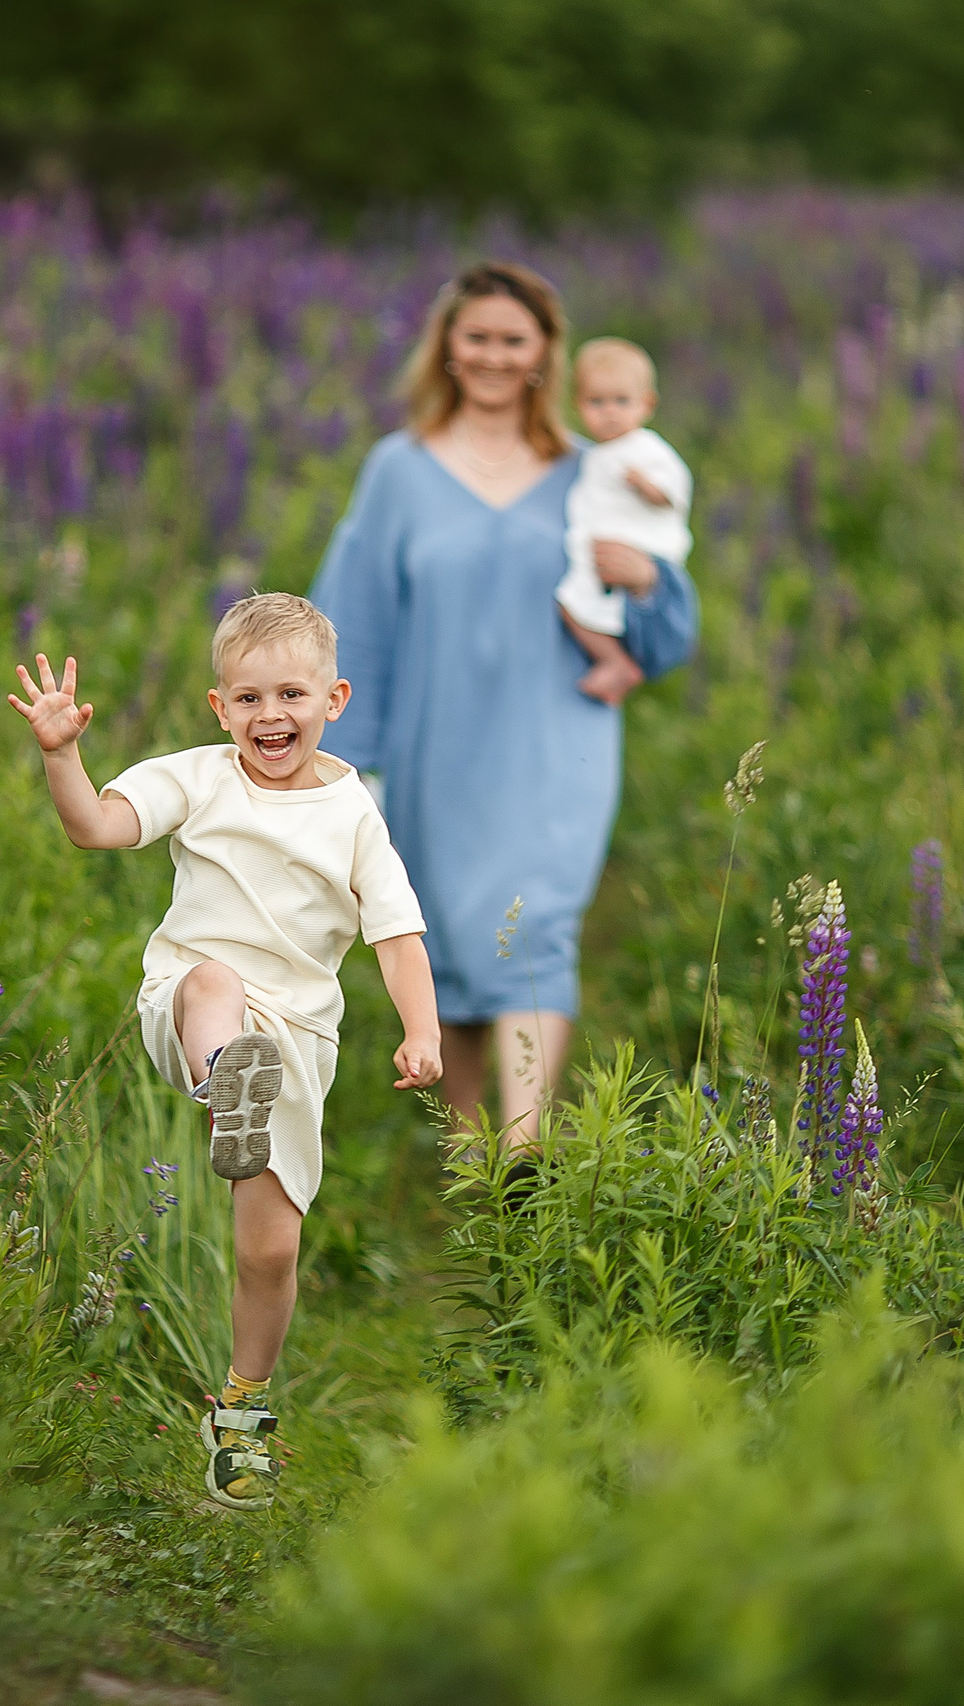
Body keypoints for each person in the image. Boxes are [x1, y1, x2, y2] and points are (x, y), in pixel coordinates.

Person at [7, 593, 442, 1512]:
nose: (269, 716)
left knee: (270, 1255)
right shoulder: (200, 778)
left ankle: (242, 1411)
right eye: (248, 699)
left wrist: (422, 1030)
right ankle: (223, 1088)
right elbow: (96, 827)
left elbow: (397, 934)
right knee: (214, 982)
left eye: (291, 695)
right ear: (219, 708)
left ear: (334, 699)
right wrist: (60, 754)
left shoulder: (354, 815)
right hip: (192, 1005)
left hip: (296, 1042)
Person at [308, 261, 697, 1153]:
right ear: (447, 346)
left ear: (544, 353)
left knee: (538, 929)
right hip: (434, 748)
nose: (493, 354)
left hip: (559, 742)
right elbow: (352, 624)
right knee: (446, 943)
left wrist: (652, 582)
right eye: (476, 336)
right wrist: (344, 767)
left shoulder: (593, 470)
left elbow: (663, 631)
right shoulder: (398, 471)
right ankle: (471, 1169)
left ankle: (523, 1154)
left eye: (513, 339)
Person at [556, 337, 694, 708]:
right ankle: (615, 661)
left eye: (621, 401)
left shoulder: (646, 448)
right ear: (578, 405)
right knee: (574, 605)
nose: (610, 413)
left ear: (647, 405)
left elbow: (676, 488)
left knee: (578, 603)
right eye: (596, 402)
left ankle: (616, 663)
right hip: (605, 554)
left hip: (641, 550)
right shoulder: (595, 454)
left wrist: (648, 487)